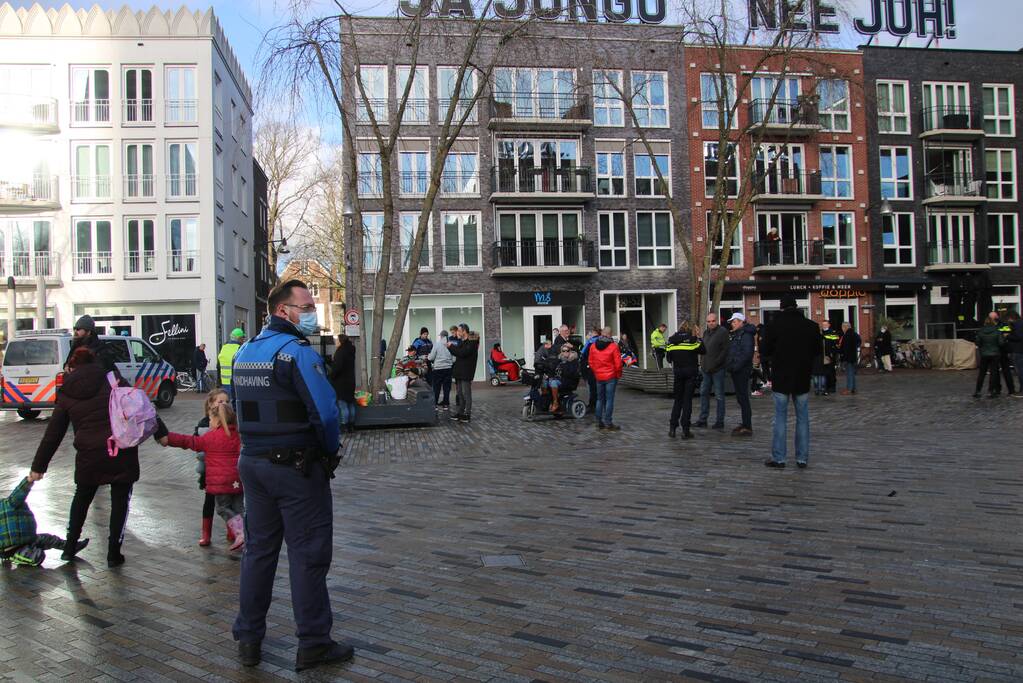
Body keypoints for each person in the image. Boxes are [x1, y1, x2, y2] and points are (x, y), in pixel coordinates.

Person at [229, 279, 349, 671]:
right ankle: (313, 642)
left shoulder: (245, 353)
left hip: (253, 464)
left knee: (259, 553)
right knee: (308, 554)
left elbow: (237, 405)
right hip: (296, 467)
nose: (312, 314)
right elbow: (326, 412)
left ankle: (249, 639)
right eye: (307, 306)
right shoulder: (295, 353)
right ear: (283, 310)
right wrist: (329, 451)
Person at [30, 347, 138, 567]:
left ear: (72, 366)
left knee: (82, 497)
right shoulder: (112, 379)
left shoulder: (67, 391)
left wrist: (38, 467)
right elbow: (138, 406)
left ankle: (69, 548)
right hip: (119, 448)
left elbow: (53, 434)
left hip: (89, 455)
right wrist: (161, 433)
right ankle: (113, 553)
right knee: (120, 499)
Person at [157, 401, 245, 551]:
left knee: (222, 508)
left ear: (217, 420)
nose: (209, 422)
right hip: (238, 481)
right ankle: (249, 532)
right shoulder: (238, 435)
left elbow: (189, 441)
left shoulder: (211, 437)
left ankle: (241, 532)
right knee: (238, 508)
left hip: (221, 482)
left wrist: (169, 438)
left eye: (210, 419)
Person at [760, 293, 822, 468]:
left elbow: (765, 350)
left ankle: (779, 457)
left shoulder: (774, 326)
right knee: (803, 418)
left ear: (781, 307)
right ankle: (802, 458)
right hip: (802, 376)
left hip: (781, 377)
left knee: (780, 418)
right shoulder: (811, 326)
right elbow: (817, 350)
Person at [1, 476, 88, 566]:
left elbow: (20, 491)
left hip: (28, 539)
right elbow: (20, 491)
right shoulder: (10, 503)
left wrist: (29, 480)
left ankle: (70, 546)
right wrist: (29, 480)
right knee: (37, 557)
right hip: (11, 550)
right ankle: (14, 556)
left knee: (49, 538)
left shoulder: (10, 503)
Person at [192, 389, 236, 547]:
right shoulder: (205, 423)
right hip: (210, 472)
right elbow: (198, 446)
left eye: (226, 401)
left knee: (230, 503)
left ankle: (233, 530)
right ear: (211, 404)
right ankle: (206, 534)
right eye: (220, 401)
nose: (224, 404)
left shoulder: (233, 422)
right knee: (209, 502)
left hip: (227, 474)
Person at [666, 322, 705, 439]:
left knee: (677, 401)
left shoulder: (671, 340)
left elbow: (668, 358)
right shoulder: (693, 340)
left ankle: (672, 429)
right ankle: (685, 430)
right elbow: (704, 350)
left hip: (678, 373)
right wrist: (698, 337)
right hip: (690, 374)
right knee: (687, 401)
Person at [696, 312, 728, 431]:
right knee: (704, 393)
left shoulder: (723, 332)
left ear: (717, 321)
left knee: (719, 395)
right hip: (705, 369)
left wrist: (716, 363)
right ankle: (703, 419)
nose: (711, 323)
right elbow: (703, 348)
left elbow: (725, 351)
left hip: (717, 369)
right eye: (708, 321)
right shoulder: (706, 333)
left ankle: (720, 421)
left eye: (713, 321)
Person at [725, 312, 757, 437]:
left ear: (741, 322)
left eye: (734, 322)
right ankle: (745, 423)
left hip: (742, 370)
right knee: (740, 398)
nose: (732, 324)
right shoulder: (737, 334)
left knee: (743, 398)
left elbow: (746, 353)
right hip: (736, 369)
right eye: (732, 322)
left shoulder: (746, 335)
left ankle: (747, 425)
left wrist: (735, 366)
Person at [589, 327, 624, 430]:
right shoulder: (613, 346)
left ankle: (598, 421)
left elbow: (590, 361)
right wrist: (618, 375)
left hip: (599, 376)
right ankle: (608, 422)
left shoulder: (593, 346)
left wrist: (596, 371)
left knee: (599, 399)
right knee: (609, 400)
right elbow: (618, 364)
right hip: (610, 376)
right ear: (609, 335)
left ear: (602, 333)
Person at [448, 324, 479, 424]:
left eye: (459, 331)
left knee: (466, 393)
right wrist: (452, 347)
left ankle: (467, 414)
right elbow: (458, 352)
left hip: (466, 371)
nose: (457, 332)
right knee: (460, 393)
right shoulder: (462, 341)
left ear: (464, 331)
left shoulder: (472, 342)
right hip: (459, 371)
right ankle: (460, 412)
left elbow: (462, 353)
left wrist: (451, 346)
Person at [330, 334, 357, 433]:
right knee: (351, 404)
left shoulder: (340, 352)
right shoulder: (351, 350)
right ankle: (352, 425)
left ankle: (344, 425)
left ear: (341, 341)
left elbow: (337, 368)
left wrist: (331, 376)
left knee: (343, 405)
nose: (335, 342)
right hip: (351, 381)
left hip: (341, 382)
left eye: (337, 340)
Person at [974, 317, 1005, 398]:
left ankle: (978, 391)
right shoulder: (997, 331)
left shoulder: (981, 331)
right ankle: (991, 391)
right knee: (993, 373)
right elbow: (1001, 343)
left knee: (982, 373)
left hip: (984, 354)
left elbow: (977, 342)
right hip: (995, 354)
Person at [428, 330, 454, 409]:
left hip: (438, 369)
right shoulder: (450, 345)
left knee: (436, 387)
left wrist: (429, 356)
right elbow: (454, 358)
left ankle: (435, 404)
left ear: (441, 336)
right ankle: (445, 404)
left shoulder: (437, 344)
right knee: (447, 387)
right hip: (448, 368)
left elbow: (431, 357)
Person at [994, 313, 1017, 396]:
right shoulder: (1002, 325)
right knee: (997, 371)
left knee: (1005, 371)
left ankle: (1010, 389)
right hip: (997, 350)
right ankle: (999, 389)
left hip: (1001, 350)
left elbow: (1008, 333)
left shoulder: (1001, 325)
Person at [580, 327, 601, 413]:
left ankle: (593, 405)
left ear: (593, 333)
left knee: (592, 387)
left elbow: (583, 353)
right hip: (598, 368)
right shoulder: (600, 341)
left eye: (589, 333)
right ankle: (597, 404)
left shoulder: (591, 342)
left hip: (591, 368)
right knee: (596, 387)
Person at [218, 328, 245, 393]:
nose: (244, 340)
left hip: (224, 382)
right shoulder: (240, 348)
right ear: (239, 338)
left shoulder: (224, 347)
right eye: (243, 338)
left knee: (226, 401)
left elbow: (218, 366)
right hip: (236, 382)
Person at [838, 322, 861, 395]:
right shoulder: (855, 334)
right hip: (853, 356)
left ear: (845, 327)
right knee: (852, 373)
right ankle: (853, 388)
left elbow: (845, 348)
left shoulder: (847, 335)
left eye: (842, 327)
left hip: (848, 357)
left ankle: (849, 389)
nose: (842, 329)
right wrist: (855, 347)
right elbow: (859, 341)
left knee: (849, 373)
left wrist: (842, 354)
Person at [820, 320, 840, 394]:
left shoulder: (833, 333)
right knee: (825, 372)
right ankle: (826, 387)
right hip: (823, 355)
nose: (824, 326)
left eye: (825, 324)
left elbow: (835, 344)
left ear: (829, 325)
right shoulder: (821, 333)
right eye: (823, 324)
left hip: (830, 355)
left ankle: (832, 387)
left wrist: (832, 354)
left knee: (831, 372)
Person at [1007, 311, 1023, 397]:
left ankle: (1022, 390)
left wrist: (1008, 336)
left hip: (1018, 350)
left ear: (1012, 317)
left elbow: (1018, 337)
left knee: (1020, 371)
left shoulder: (1018, 324)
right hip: (1019, 350)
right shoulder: (1019, 323)